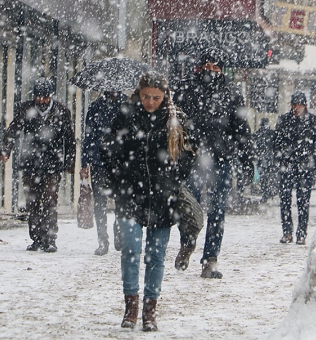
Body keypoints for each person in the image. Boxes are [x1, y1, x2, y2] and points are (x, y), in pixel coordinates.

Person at [101, 70, 195, 331]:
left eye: (155, 97)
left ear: (165, 96)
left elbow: (190, 152)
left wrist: (174, 174)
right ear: (138, 94)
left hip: (163, 196)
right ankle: (130, 304)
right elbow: (108, 148)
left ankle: (150, 309)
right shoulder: (126, 115)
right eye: (146, 96)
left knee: (155, 255)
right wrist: (119, 176)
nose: (150, 102)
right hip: (130, 194)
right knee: (131, 249)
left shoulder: (177, 119)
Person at [174, 48, 254, 279]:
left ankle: (210, 258)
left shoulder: (231, 92)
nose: (211, 71)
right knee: (190, 206)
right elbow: (176, 122)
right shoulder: (187, 89)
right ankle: (187, 244)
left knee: (217, 211)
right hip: (194, 158)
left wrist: (247, 160)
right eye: (207, 66)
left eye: (215, 67)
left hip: (221, 158)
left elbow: (241, 129)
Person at [0, 78, 76, 253]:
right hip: (30, 162)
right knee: (32, 202)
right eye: (38, 97)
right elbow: (14, 129)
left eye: (44, 97)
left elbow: (69, 139)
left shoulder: (62, 111)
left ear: (50, 96)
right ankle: (36, 238)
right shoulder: (26, 109)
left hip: (52, 163)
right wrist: (6, 149)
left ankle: (50, 238)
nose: (41, 101)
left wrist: (69, 163)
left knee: (50, 201)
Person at [274, 91, 316, 245]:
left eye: (299, 105)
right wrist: (281, 158)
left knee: (303, 201)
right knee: (285, 200)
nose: (297, 108)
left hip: (305, 166)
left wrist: (314, 162)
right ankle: (287, 232)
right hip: (288, 165)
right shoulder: (284, 120)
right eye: (294, 105)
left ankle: (301, 233)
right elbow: (277, 142)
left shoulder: (314, 121)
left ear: (305, 106)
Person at [80, 91, 125, 256]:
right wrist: (85, 162)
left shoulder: (128, 106)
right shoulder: (95, 107)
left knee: (121, 201)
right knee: (100, 202)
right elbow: (89, 135)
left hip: (120, 162)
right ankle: (102, 240)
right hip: (99, 161)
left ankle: (118, 231)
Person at [252, 118, 277, 205]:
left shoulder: (256, 134)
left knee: (264, 178)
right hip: (270, 158)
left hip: (261, 159)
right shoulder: (272, 134)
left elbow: (253, 147)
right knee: (270, 176)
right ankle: (269, 192)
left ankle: (265, 193)